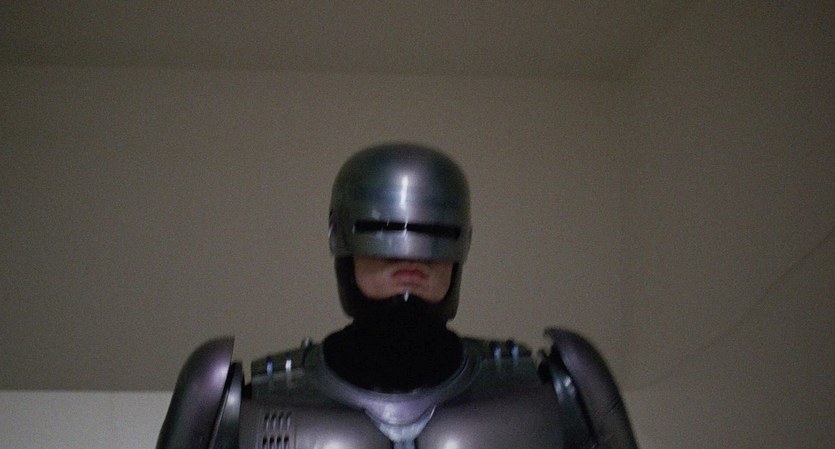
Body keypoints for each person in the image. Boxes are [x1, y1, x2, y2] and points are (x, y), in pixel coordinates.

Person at [156, 143, 639, 449]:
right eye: (383, 232)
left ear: (460, 247)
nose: (410, 260)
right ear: (344, 242)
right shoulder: (234, 400)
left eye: (433, 236)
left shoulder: (559, 387)